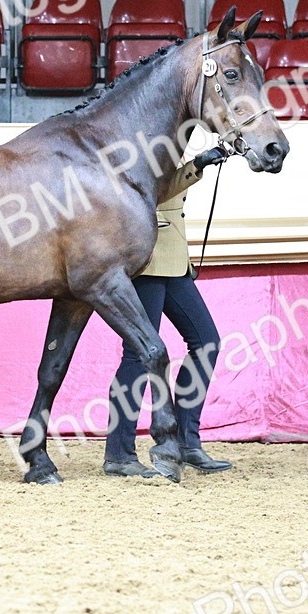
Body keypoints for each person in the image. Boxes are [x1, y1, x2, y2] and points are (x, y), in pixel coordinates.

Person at [104, 146, 232, 478]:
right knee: (137, 354)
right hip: (148, 258)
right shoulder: (142, 140)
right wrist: (197, 165)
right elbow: (154, 186)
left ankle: (186, 442)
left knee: (206, 343)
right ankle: (119, 452)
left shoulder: (171, 134)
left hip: (173, 259)